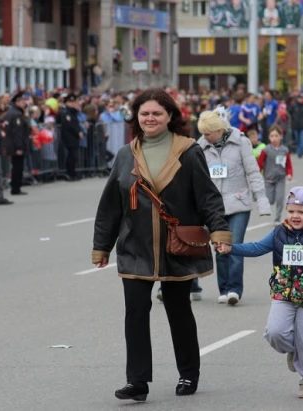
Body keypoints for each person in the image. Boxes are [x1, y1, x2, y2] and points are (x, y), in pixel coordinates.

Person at [92, 89, 232, 402]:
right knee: (136, 312)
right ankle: (137, 382)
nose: (150, 118)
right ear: (136, 118)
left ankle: (188, 373)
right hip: (135, 247)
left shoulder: (188, 150)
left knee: (179, 309)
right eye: (144, 114)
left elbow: (208, 197)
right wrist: (102, 246)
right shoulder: (126, 154)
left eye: (156, 113)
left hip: (175, 245)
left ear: (170, 116)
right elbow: (110, 205)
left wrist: (220, 232)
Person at [217, 186, 303, 399]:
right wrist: (231, 249)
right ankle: (295, 351)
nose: (295, 216)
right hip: (283, 293)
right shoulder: (279, 233)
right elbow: (256, 248)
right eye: (291, 211)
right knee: (275, 332)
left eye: (301, 212)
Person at [197, 106, 271, 305]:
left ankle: (234, 289)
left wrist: (261, 200)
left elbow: (253, 173)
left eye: (208, 133)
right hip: (213, 208)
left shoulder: (241, 143)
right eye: (202, 133)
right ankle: (224, 288)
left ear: (219, 130)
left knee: (234, 246)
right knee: (220, 247)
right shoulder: (200, 146)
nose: (205, 137)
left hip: (238, 204)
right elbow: (196, 180)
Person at [258, 125, 293, 224]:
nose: (274, 138)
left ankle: (277, 218)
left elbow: (288, 164)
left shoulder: (284, 150)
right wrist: (257, 172)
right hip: (268, 179)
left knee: (280, 199)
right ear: (269, 137)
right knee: (270, 200)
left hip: (280, 178)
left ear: (281, 136)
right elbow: (260, 163)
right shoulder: (266, 150)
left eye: (276, 136)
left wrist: (289, 173)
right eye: (272, 136)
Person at [4, 92, 31, 195]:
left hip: (13, 144)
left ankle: (16, 187)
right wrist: (19, 147)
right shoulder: (17, 114)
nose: (24, 103)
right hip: (16, 145)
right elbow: (18, 132)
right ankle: (16, 187)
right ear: (18, 102)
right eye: (23, 101)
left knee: (17, 166)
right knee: (18, 167)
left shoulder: (12, 112)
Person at [56, 93, 83, 181]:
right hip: (68, 137)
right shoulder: (66, 112)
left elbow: (75, 123)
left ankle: (73, 172)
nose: (75, 104)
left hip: (73, 137)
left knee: (73, 156)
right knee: (71, 155)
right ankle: (70, 173)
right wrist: (78, 132)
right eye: (73, 102)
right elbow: (70, 125)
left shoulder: (72, 113)